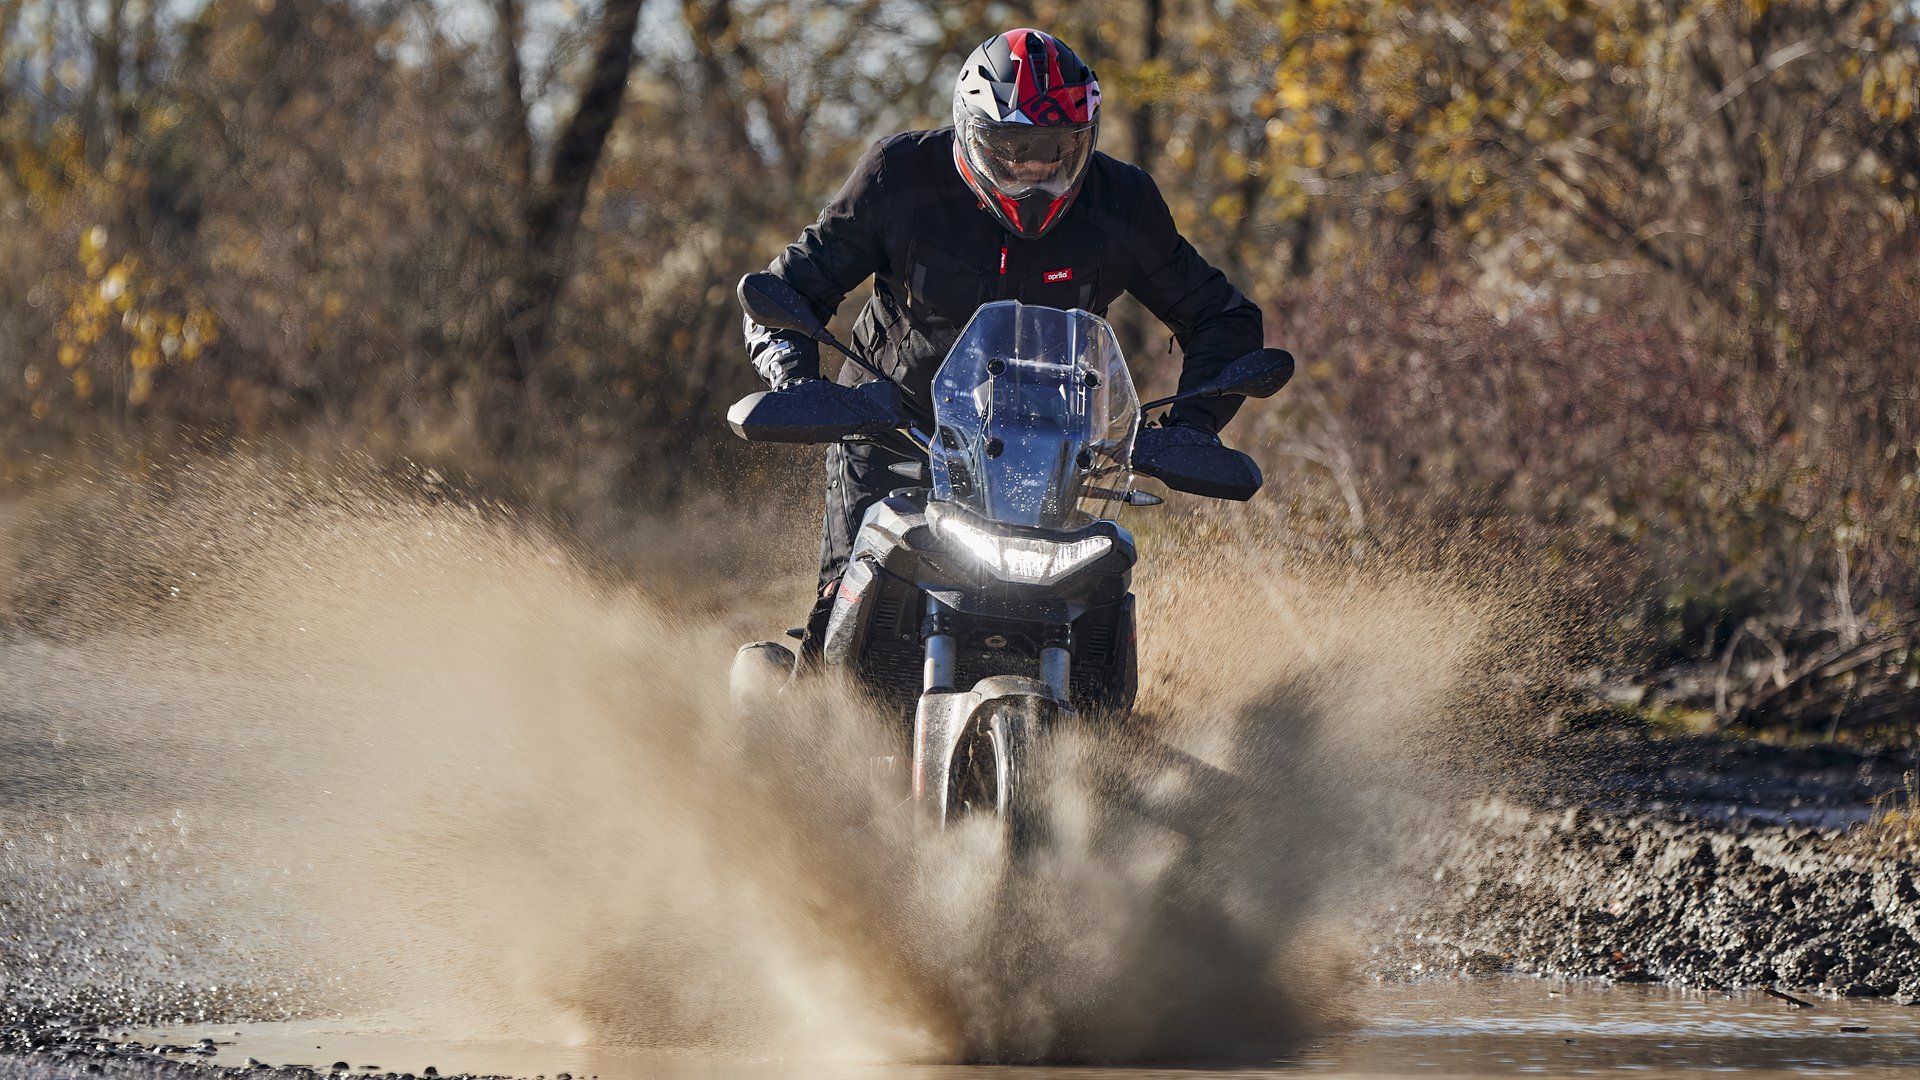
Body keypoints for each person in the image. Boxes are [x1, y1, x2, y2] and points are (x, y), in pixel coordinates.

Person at [744, 27, 1267, 660]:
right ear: (971, 131)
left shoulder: (1121, 202)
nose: (1034, 171)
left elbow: (1223, 318)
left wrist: (1191, 426)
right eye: (1012, 148)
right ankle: (803, 716)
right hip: (894, 429)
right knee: (835, 631)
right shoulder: (899, 176)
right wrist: (799, 384)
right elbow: (786, 289)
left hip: (1044, 454)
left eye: (1056, 150)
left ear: (1086, 139)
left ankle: (1102, 739)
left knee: (1096, 597)